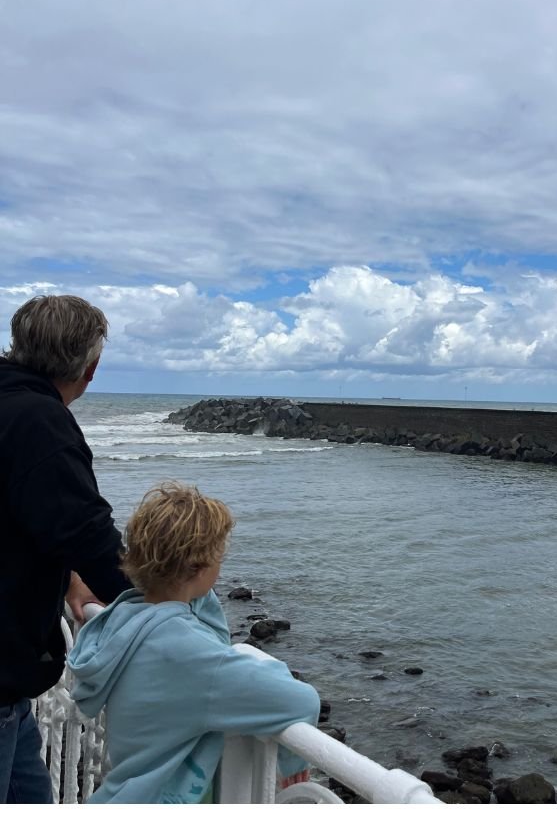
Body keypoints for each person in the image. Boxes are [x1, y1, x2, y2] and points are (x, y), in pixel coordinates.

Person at [68, 482, 320, 803]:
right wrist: (293, 760)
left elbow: (203, 622)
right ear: (200, 568)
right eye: (219, 555)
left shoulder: (125, 620)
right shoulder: (194, 655)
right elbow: (301, 701)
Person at [0, 294, 130, 804]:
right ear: (90, 368)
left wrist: (68, 577)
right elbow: (87, 533)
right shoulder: (39, 422)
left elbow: (22, 514)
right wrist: (171, 608)